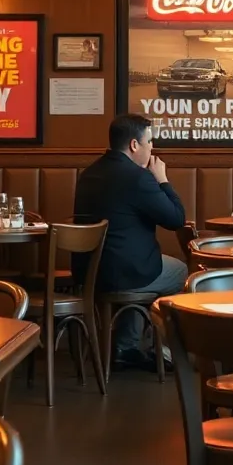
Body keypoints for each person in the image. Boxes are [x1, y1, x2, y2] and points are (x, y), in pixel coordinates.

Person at [74, 114, 188, 371]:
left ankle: (127, 346)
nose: (152, 148)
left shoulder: (89, 173)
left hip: (89, 272)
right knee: (181, 272)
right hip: (125, 273)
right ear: (134, 145)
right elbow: (176, 219)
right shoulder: (138, 178)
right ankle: (164, 352)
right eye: (150, 142)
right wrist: (162, 179)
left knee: (140, 263)